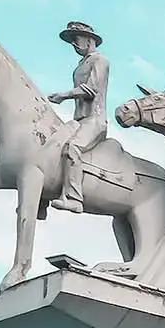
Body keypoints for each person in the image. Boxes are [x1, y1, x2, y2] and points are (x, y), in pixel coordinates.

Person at [47, 21, 109, 213]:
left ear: (89, 40)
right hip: (79, 120)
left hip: (94, 119)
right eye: (72, 40)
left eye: (77, 39)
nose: (74, 44)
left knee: (72, 147)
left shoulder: (100, 60)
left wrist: (64, 95)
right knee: (50, 145)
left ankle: (74, 198)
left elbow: (91, 89)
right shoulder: (81, 63)